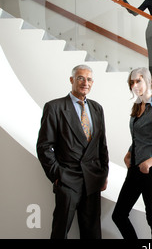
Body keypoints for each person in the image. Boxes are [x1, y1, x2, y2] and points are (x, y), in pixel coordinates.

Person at [36, 64, 109, 239]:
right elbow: (44, 146)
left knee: (92, 233)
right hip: (68, 180)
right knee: (60, 231)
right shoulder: (54, 107)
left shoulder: (97, 108)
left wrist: (103, 174)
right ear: (72, 80)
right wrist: (57, 175)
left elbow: (102, 146)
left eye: (89, 79)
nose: (85, 83)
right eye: (80, 78)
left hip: (92, 180)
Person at [112, 67, 152, 239]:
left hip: (151, 169)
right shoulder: (136, 108)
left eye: (138, 81)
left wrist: (149, 162)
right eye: (132, 82)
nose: (134, 85)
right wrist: (129, 152)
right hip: (135, 167)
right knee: (118, 215)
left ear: (148, 82)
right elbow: (139, 137)